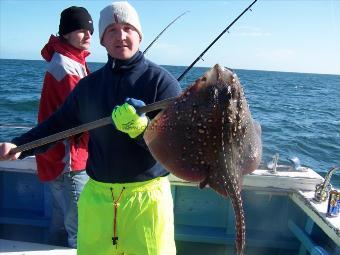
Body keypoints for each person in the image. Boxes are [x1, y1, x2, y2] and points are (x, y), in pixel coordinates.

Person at [0, 1, 181, 255]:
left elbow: (176, 147)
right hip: (97, 199)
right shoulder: (89, 86)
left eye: (128, 28)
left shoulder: (162, 83)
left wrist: (143, 130)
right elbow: (59, 124)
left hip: (147, 201)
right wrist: (21, 145)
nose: (121, 36)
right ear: (102, 40)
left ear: (139, 35)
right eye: (112, 30)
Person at [19, 6, 93, 248]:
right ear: (67, 34)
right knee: (81, 232)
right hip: (69, 159)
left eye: (90, 30)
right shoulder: (66, 66)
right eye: (81, 30)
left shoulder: (70, 60)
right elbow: (78, 116)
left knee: (61, 224)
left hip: (59, 158)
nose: (88, 35)